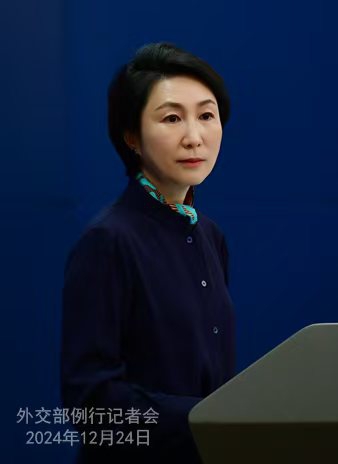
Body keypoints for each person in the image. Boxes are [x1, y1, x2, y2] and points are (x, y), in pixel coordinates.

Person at [60, 42, 235, 463]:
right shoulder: (108, 241)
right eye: (172, 118)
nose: (194, 137)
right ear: (132, 137)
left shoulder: (210, 236)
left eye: (206, 116)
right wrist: (210, 420)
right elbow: (91, 401)